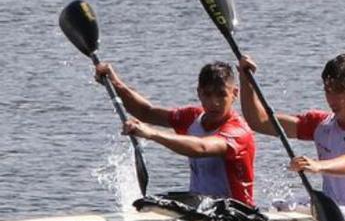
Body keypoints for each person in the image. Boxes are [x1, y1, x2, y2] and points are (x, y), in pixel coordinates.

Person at [238, 53, 345, 211]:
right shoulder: (321, 125)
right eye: (328, 91)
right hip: (334, 210)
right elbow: (259, 122)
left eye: (339, 91)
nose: (332, 99)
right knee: (282, 206)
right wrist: (245, 78)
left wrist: (318, 166)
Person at [94, 61, 255, 205]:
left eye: (221, 94)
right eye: (207, 94)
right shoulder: (192, 117)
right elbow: (146, 112)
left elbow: (202, 148)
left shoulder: (238, 131)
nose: (214, 102)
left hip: (238, 215)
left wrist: (152, 134)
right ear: (199, 93)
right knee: (151, 203)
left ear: (234, 94)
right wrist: (114, 83)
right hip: (203, 207)